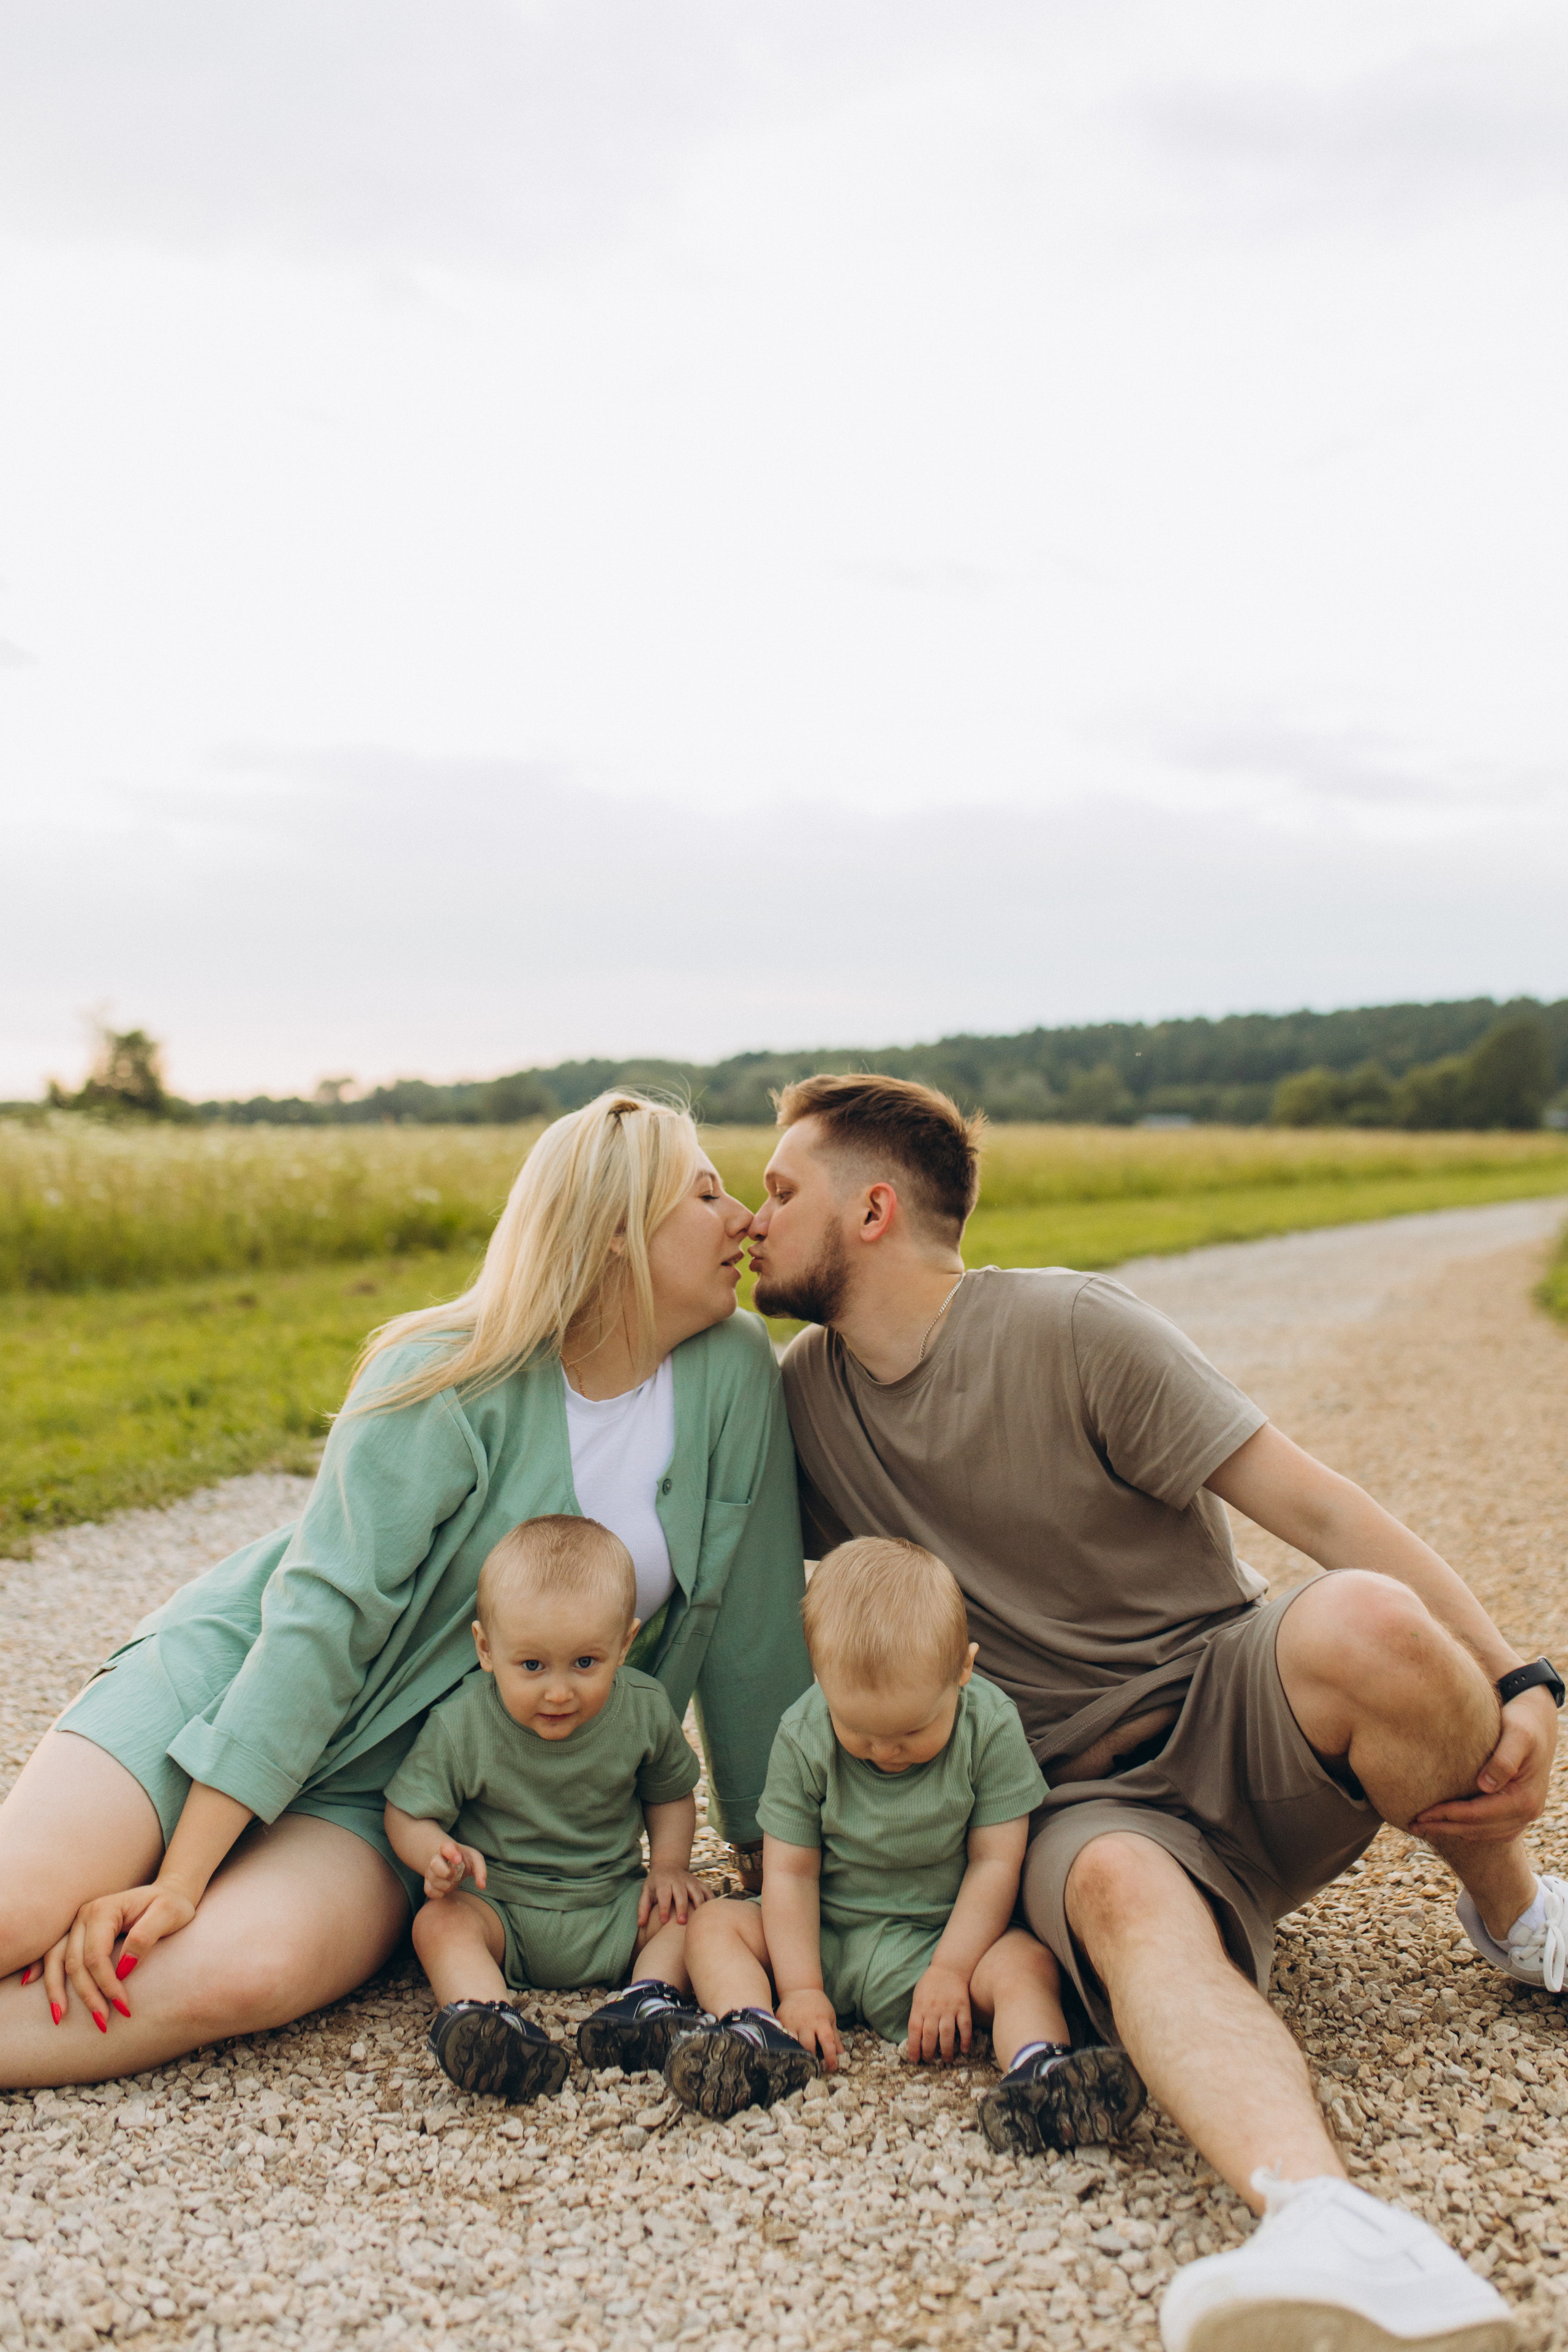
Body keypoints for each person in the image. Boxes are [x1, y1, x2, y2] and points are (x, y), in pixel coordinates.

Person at [748, 1071, 1555, 2352]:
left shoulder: (1073, 1328)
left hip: (1233, 1701)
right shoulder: (795, 1403)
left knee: (1364, 1616)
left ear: (872, 1211)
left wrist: (1520, 1681)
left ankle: (1512, 1912)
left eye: (778, 1190)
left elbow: (1321, 1508)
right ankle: (1325, 2223)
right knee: (1119, 1893)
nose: (752, 1217)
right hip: (1079, 1802)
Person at [0, 1091, 812, 2086]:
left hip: (391, 1794)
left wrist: (781, 1874)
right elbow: (321, 1627)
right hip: (226, 1690)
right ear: (614, 1233)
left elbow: (753, 1636)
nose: (743, 1220)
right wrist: (178, 1879)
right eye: (705, 1194)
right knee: (16, 1913)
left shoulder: (733, 1373)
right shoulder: (445, 1373)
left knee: (245, 1971)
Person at [665, 1536, 1145, 2155]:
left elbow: (995, 1861)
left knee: (1027, 1964)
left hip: (939, 1941)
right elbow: (791, 1875)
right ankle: (753, 2033)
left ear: (963, 1670)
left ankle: (1039, 2072)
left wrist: (949, 1971)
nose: (885, 1751)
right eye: (859, 1732)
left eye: (913, 1730)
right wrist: (801, 1988)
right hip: (824, 1936)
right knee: (714, 1927)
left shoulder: (989, 1725)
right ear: (821, 1681)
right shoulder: (803, 1732)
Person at [384, 1515, 707, 2103]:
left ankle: (647, 2003)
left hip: (613, 1907)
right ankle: (490, 2019)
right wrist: (434, 1851)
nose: (559, 1691)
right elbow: (406, 1812)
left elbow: (670, 1793)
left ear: (625, 1644)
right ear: (486, 1649)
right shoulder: (463, 1725)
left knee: (694, 1916)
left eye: (586, 1663)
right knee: (438, 1922)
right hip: (502, 1912)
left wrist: (669, 1867)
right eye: (532, 1666)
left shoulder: (643, 1710)